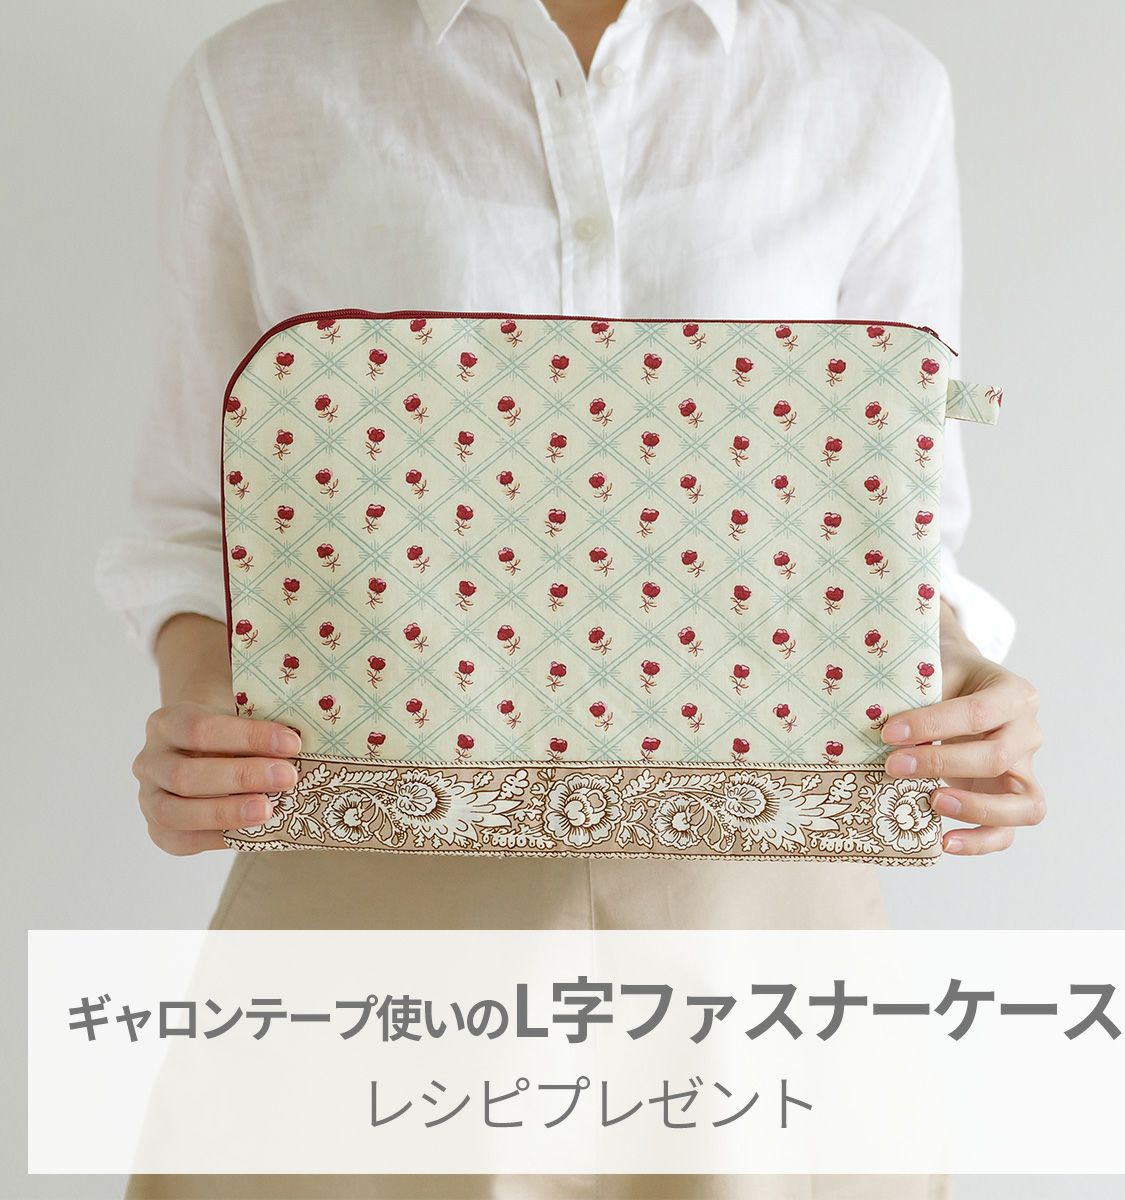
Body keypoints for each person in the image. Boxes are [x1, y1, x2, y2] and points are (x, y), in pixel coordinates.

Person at [97, 1, 1045, 1195]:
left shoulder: (875, 88)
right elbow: (196, 514)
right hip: (374, 882)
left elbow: (897, 508)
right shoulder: (260, 83)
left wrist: (959, 685)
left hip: (752, 907)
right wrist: (204, 716)